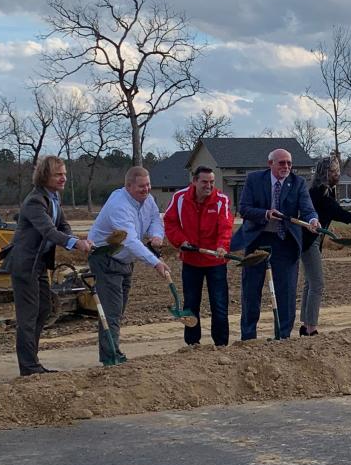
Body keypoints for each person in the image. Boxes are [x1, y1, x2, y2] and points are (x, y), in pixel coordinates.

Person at [7, 155, 92, 376]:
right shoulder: (35, 201)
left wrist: (75, 237)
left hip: (39, 264)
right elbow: (49, 231)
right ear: (45, 176)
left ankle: (31, 360)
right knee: (28, 315)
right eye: (58, 174)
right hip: (25, 265)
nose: (64, 178)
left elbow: (62, 225)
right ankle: (28, 366)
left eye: (64, 174)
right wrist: (75, 243)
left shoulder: (53, 198)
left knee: (44, 308)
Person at [231, 148, 320, 340]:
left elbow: (307, 209)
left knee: (286, 292)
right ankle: (248, 337)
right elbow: (244, 209)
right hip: (257, 240)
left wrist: (313, 220)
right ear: (270, 163)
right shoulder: (254, 180)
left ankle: (283, 336)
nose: (286, 167)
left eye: (289, 163)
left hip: (285, 242)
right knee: (251, 291)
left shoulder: (298, 183)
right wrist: (264, 214)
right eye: (282, 163)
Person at [88, 166, 170, 364]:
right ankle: (111, 358)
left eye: (148, 185)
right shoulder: (119, 205)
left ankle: (112, 350)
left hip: (124, 261)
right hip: (105, 259)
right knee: (112, 310)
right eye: (142, 186)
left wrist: (157, 235)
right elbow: (130, 240)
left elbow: (155, 220)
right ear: (128, 186)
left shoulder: (147, 200)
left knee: (118, 309)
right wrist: (155, 262)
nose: (147, 189)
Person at [299, 156, 351, 336]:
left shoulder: (327, 191)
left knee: (309, 283)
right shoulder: (320, 192)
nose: (338, 174)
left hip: (315, 239)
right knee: (317, 283)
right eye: (334, 171)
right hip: (308, 241)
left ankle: (305, 325)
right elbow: (338, 213)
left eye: (338, 171)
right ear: (325, 173)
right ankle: (311, 328)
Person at [163, 165, 234, 346]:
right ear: (194, 181)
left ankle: (221, 344)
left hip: (215, 261)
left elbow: (225, 226)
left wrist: (221, 246)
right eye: (204, 182)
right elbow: (170, 223)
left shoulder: (221, 200)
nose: (208, 186)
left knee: (219, 304)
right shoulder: (179, 198)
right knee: (191, 304)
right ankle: (192, 344)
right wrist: (181, 241)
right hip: (191, 261)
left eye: (211, 182)